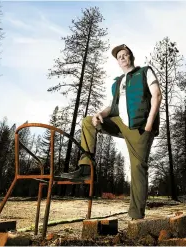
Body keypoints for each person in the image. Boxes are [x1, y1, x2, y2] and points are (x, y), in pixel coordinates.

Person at [61, 44, 162, 220]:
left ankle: (136, 216)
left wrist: (149, 124)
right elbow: (112, 107)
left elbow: (157, 95)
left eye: (125, 54)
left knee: (138, 167)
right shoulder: (117, 83)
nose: (122, 57)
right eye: (119, 56)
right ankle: (86, 167)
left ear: (131, 57)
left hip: (140, 126)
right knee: (88, 121)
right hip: (119, 122)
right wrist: (100, 114)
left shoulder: (144, 72)